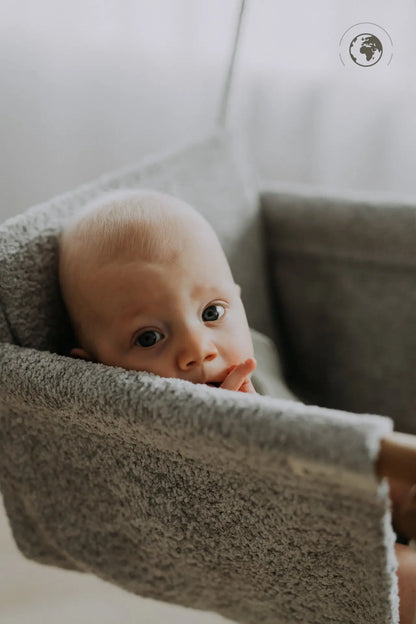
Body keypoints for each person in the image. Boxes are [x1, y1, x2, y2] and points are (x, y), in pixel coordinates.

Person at [58, 188, 416, 623]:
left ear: (238, 300)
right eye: (149, 337)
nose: (198, 348)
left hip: (338, 486)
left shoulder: (255, 353)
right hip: (298, 554)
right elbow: (205, 528)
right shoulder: (135, 429)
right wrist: (238, 436)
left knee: (403, 478)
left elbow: (320, 426)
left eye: (212, 312)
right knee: (404, 579)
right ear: (94, 369)